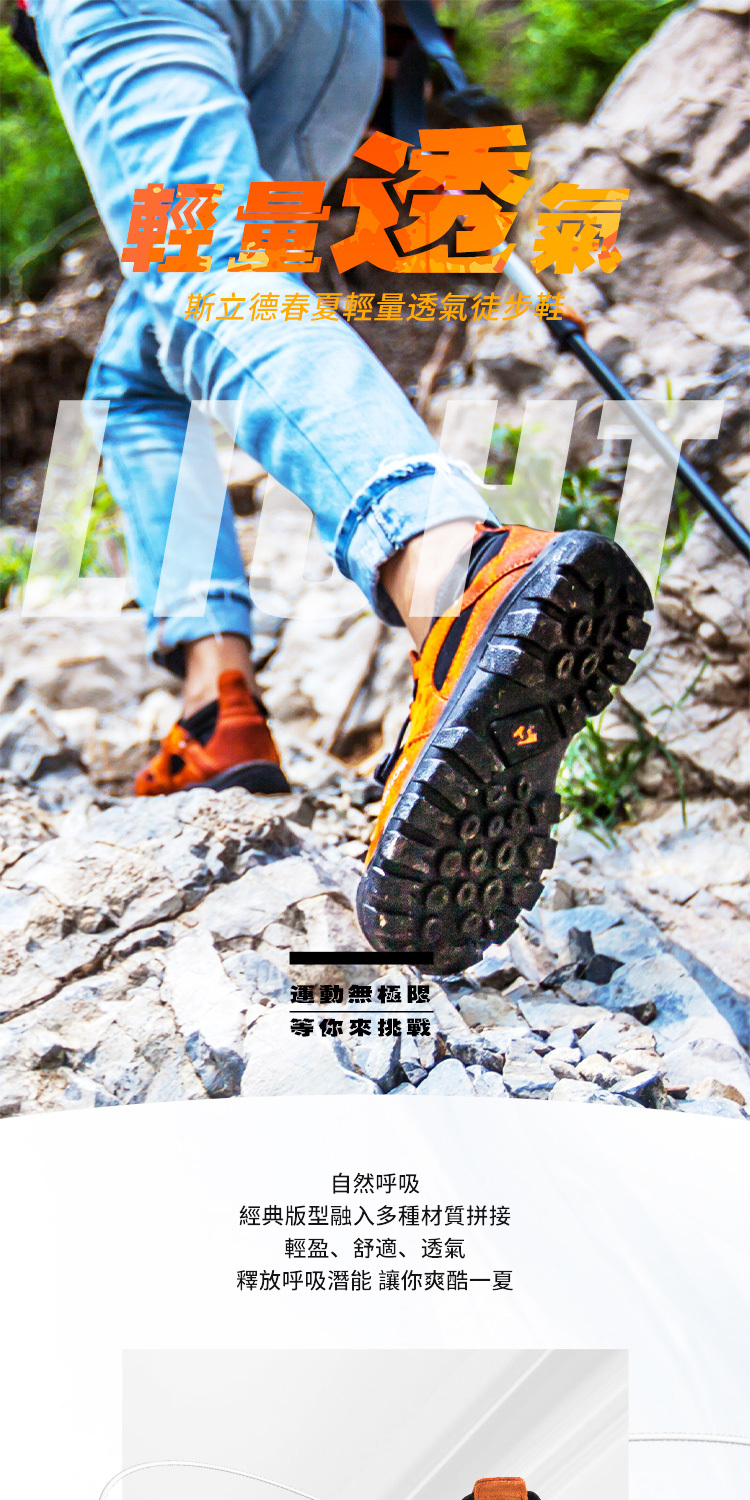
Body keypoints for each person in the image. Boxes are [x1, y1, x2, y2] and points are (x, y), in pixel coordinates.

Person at [26, 0, 650, 972]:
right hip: (335, 27)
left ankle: (456, 575)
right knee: (141, 372)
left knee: (205, 274)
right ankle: (217, 708)